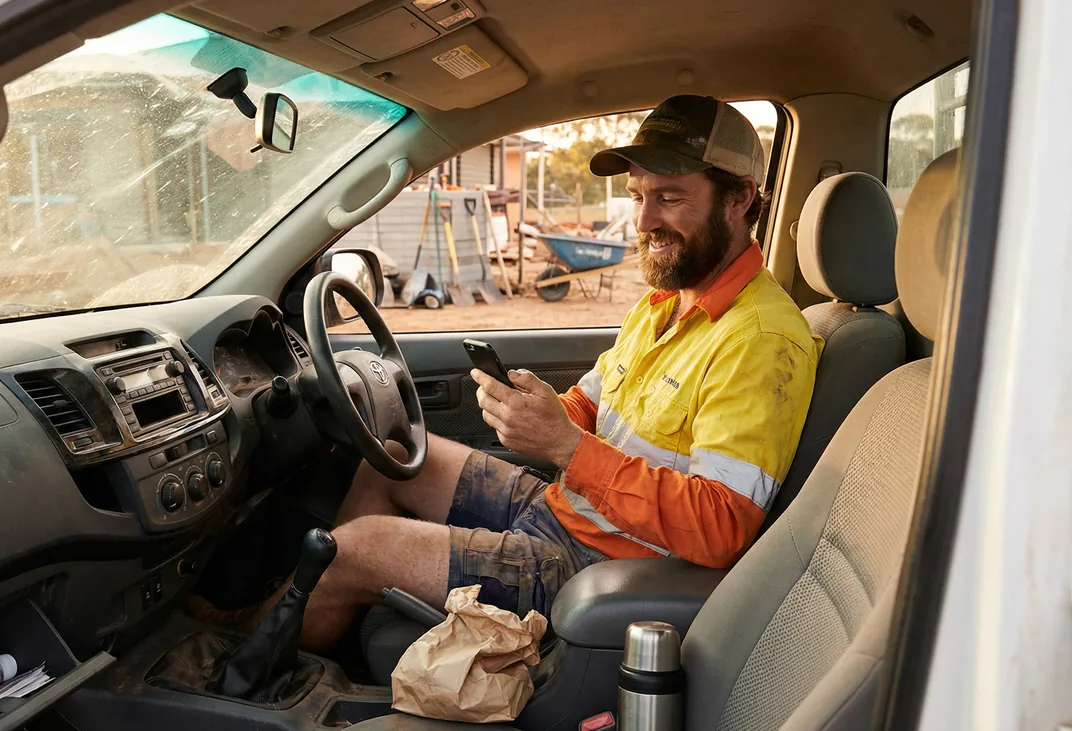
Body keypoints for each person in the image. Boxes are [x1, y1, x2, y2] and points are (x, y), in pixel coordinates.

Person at [246, 95, 821, 650]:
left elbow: (722, 528)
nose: (644, 220)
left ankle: (248, 654)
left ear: (740, 198)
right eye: (637, 195)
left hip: (600, 566)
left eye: (669, 198)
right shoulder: (664, 304)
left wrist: (567, 448)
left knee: (354, 549)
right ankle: (305, 622)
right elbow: (593, 407)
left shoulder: (762, 340)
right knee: (393, 460)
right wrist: (537, 413)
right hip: (566, 510)